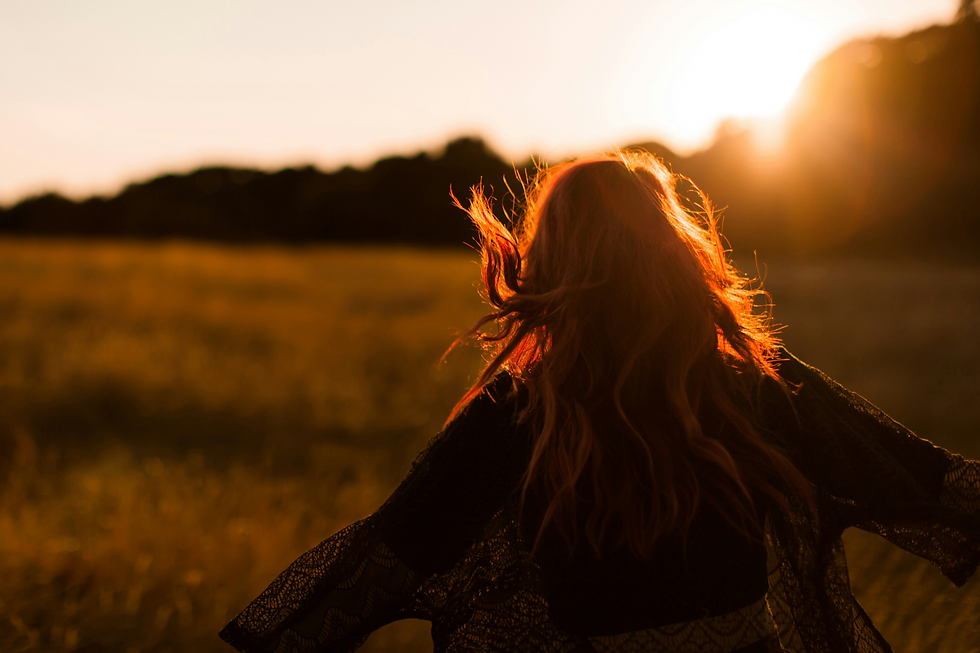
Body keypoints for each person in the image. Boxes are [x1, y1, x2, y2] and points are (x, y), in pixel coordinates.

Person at [219, 152, 980, 653]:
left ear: (550, 263)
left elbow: (374, 568)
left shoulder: (515, 415)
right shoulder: (755, 383)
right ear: (675, 253)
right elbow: (924, 478)